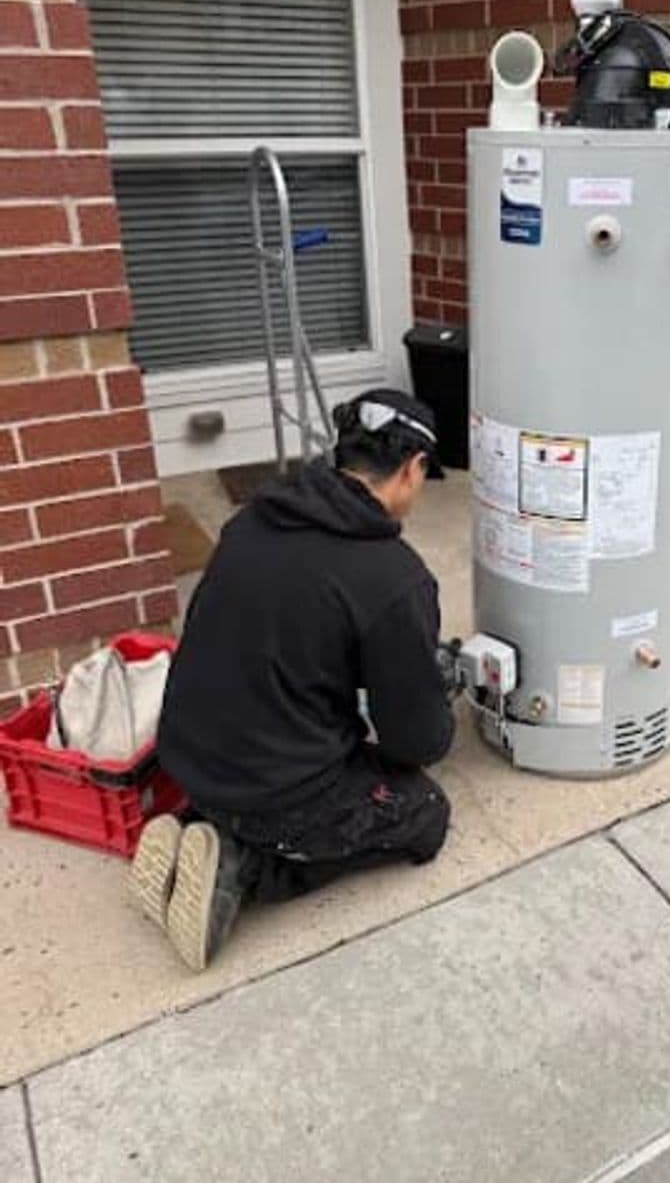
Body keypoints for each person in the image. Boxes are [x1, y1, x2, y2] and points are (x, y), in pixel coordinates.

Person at [129, 388, 456, 972]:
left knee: (294, 736)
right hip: (277, 791)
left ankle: (194, 827)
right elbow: (417, 743)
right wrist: (432, 687)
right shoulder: (393, 580)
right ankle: (244, 867)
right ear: (413, 469)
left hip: (185, 756)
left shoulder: (253, 518)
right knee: (424, 814)